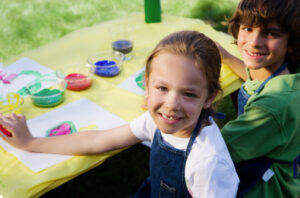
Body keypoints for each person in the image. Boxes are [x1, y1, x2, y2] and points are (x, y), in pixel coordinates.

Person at [0, 31, 239, 197]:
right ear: (146, 85)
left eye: (188, 94)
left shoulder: (207, 162)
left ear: (209, 97)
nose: (172, 104)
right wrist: (31, 142)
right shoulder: (154, 122)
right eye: (162, 89)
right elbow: (97, 140)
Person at [217, 0, 300, 197]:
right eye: (247, 28)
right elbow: (255, 81)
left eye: (271, 33)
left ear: (293, 42)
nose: (254, 42)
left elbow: (216, 149)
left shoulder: (271, 107)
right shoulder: (287, 76)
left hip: (264, 186)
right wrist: (227, 57)